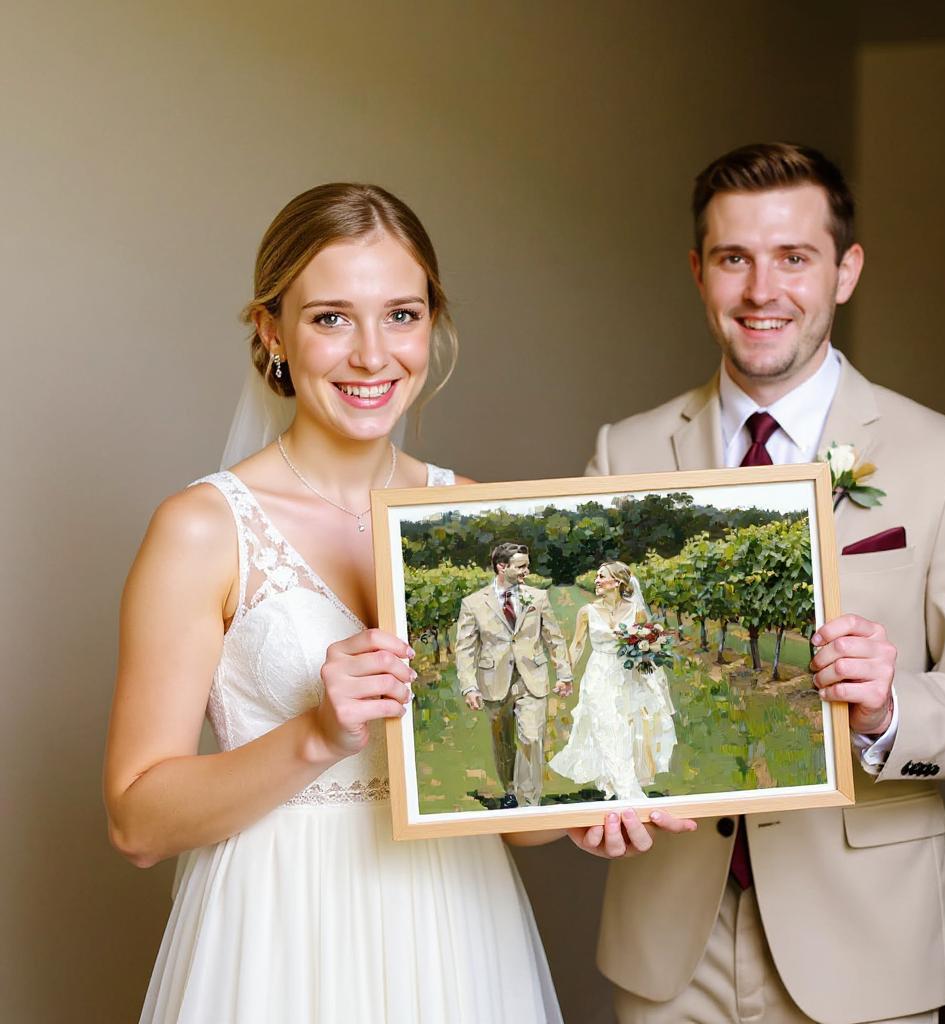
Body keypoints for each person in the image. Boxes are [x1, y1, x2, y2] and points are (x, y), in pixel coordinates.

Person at [584, 143, 945, 1023]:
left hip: (866, 938)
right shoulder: (621, 453)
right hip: (669, 942)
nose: (762, 290)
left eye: (794, 257)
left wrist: (888, 711)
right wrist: (601, 781)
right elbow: (603, 675)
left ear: (845, 271)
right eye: (733, 257)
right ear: (699, 271)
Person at [103, 184, 562, 1023]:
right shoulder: (204, 529)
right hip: (278, 935)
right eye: (330, 318)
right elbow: (137, 822)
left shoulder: (477, 519)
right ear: (272, 331)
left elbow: (521, 819)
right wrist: (317, 733)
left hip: (456, 930)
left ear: (432, 325)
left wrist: (596, 801)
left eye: (400, 315)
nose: (372, 355)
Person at [455, 542, 573, 807]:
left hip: (532, 679)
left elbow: (554, 638)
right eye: (521, 567)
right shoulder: (473, 603)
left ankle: (529, 801)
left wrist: (564, 674)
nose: (526, 572)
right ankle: (510, 790)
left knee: (531, 737)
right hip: (494, 681)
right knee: (503, 743)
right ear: (501, 567)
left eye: (526, 566)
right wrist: (469, 687)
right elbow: (465, 649)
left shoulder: (538, 597)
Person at [549, 562, 676, 800]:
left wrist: (648, 653)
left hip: (626, 676)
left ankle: (621, 785)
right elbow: (577, 645)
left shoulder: (635, 610)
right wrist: (566, 677)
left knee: (626, 729)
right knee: (605, 726)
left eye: (601, 576)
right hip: (598, 673)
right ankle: (628, 792)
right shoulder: (586, 611)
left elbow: (644, 643)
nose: (596, 580)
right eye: (596, 576)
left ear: (617, 582)